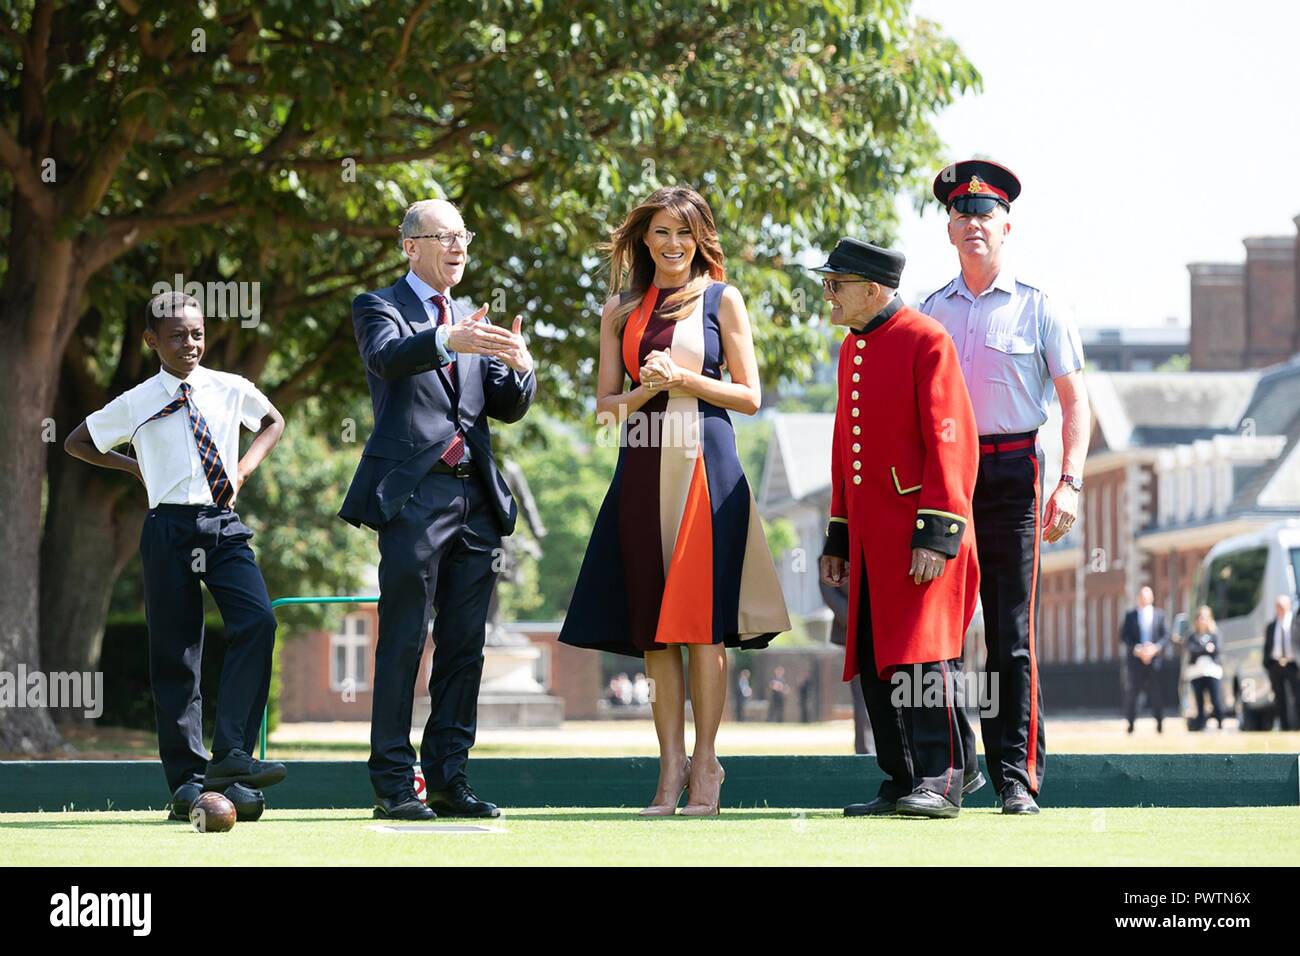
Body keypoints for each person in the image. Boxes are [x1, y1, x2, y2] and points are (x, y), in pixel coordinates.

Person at [559, 185, 790, 816]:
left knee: (702, 628)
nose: (672, 244)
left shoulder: (725, 298)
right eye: (660, 231)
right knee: (656, 635)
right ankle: (669, 772)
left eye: (683, 232)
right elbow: (605, 412)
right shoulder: (619, 310)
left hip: (707, 470)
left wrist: (685, 378)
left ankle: (708, 765)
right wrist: (643, 391)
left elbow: (750, 396)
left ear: (701, 238)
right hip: (640, 467)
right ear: (643, 239)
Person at [339, 198, 537, 821]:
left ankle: (450, 779)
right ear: (410, 246)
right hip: (413, 497)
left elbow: (501, 406)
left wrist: (522, 366)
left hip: (475, 497)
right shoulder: (379, 307)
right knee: (402, 640)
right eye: (443, 236)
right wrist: (448, 337)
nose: (457, 247)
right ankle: (394, 786)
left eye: (463, 237)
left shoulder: (472, 321)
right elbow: (386, 358)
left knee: (463, 647)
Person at [64, 291, 287, 823]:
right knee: (177, 655)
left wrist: (244, 470)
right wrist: (132, 467)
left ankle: (231, 756)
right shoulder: (137, 400)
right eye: (176, 335)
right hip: (166, 528)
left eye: (196, 334)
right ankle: (187, 783)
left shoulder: (229, 388)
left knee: (258, 621)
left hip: (221, 523)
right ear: (151, 341)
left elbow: (273, 421)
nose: (189, 344)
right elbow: (77, 442)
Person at [919, 159, 1089, 813]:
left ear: (1006, 224)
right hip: (948, 476)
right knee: (942, 629)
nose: (972, 224)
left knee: (1010, 631)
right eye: (960, 213)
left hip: (1017, 474)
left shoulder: (1040, 307)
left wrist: (1070, 482)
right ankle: (953, 769)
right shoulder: (930, 312)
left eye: (984, 213)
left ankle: (1015, 775)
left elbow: (1077, 404)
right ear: (949, 229)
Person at [816, 238, 984, 819]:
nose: (829, 293)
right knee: (876, 657)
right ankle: (902, 777)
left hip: (921, 535)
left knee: (923, 655)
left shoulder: (926, 339)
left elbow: (952, 442)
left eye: (837, 283)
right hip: (869, 539)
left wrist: (937, 535)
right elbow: (845, 450)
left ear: (874, 289)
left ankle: (942, 779)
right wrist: (837, 537)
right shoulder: (850, 350)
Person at [820, 578, 874, 754]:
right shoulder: (838, 550)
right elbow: (826, 581)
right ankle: (866, 752)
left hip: (893, 625)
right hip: (856, 633)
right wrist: (853, 617)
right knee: (863, 695)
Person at [1120, 586, 1169, 733]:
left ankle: (1160, 723)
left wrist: (1155, 648)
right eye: (1142, 596)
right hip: (1136, 661)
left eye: (1147, 596)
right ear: (1138, 598)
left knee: (1156, 693)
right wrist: (1138, 649)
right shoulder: (1130, 616)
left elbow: (1165, 636)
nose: (1144, 599)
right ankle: (1131, 724)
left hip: (1154, 661)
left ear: (1152, 598)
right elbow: (1124, 637)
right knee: (1132, 694)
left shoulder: (1160, 615)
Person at [1185, 605, 1225, 731]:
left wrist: (1202, 651)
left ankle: (1220, 722)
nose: (1201, 620)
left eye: (1204, 618)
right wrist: (1205, 649)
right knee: (1199, 701)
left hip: (1212, 671)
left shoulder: (1215, 634)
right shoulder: (1192, 636)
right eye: (1199, 618)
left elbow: (1217, 650)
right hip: (1196, 673)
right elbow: (1192, 650)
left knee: (1215, 700)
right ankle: (1200, 724)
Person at [1264, 595, 1298, 730]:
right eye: (1278, 606)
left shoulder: (1296, 623)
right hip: (1276, 665)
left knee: (1297, 696)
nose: (1281, 609)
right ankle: (1285, 727)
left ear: (1289, 607)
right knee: (1280, 698)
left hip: (1293, 665)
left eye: (1283, 606)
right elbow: (1267, 647)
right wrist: (1267, 663)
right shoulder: (1271, 626)